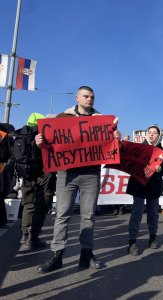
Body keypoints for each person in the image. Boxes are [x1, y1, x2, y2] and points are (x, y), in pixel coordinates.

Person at [36, 86, 120, 273]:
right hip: (67, 173)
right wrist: (40, 142)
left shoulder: (102, 121)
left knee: (88, 216)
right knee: (62, 214)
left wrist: (116, 137)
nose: (89, 99)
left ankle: (86, 253)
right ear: (77, 98)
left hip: (91, 173)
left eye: (92, 97)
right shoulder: (62, 119)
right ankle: (57, 254)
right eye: (86, 96)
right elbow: (50, 144)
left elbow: (111, 146)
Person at [126, 125, 163, 256]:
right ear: (146, 135)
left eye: (154, 133)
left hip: (153, 186)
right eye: (149, 132)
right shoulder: (139, 148)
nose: (151, 135)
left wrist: (160, 169)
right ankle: (132, 241)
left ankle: (152, 237)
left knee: (153, 213)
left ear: (158, 136)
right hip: (139, 185)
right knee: (137, 212)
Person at [18, 113, 57, 249]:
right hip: (44, 173)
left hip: (26, 173)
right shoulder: (44, 134)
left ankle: (24, 235)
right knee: (42, 206)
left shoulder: (22, 135)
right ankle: (33, 237)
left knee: (28, 204)